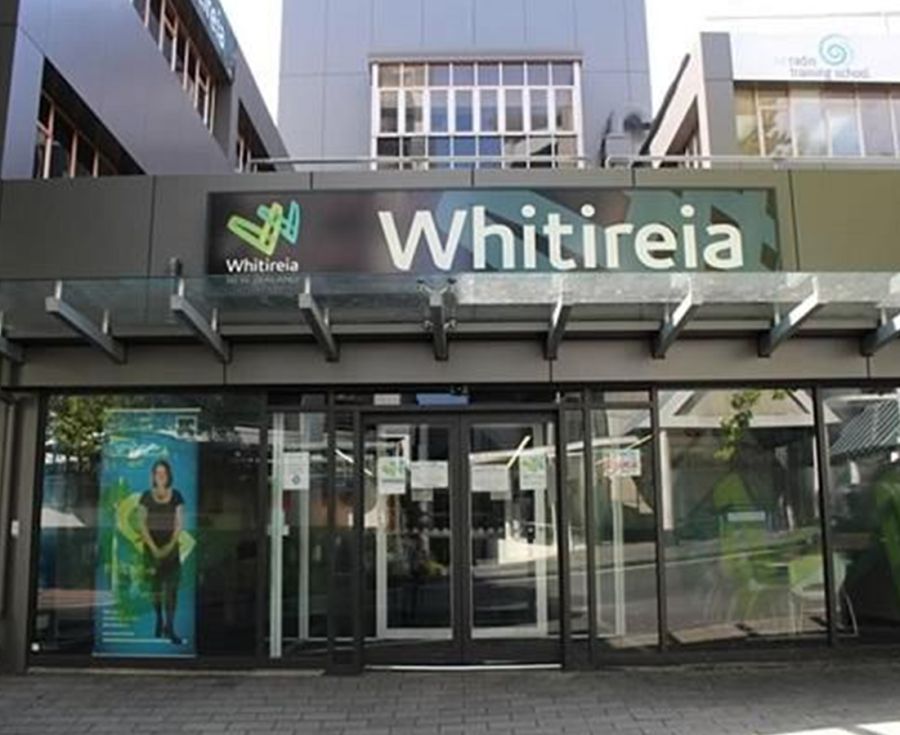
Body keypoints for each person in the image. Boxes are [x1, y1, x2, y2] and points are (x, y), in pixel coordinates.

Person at [138, 459, 185, 645]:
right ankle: (158, 619)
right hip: (151, 550)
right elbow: (142, 525)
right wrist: (154, 548)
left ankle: (170, 628)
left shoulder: (177, 496)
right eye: (157, 473)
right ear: (153, 476)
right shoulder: (145, 496)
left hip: (171, 550)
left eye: (164, 472)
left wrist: (169, 546)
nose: (161, 476)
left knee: (172, 590)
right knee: (155, 589)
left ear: (169, 475)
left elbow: (179, 524)